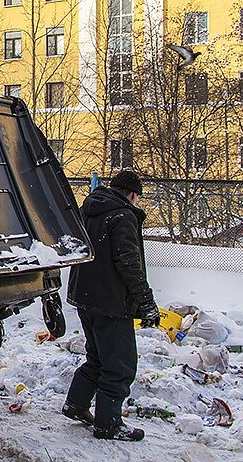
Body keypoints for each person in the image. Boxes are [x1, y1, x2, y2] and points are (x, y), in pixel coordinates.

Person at [62, 170, 160, 442]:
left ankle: (76, 404)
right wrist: (146, 301)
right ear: (131, 193)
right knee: (119, 364)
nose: (137, 202)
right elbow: (129, 264)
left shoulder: (90, 210)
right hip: (111, 302)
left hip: (85, 297)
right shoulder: (123, 216)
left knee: (97, 356)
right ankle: (108, 424)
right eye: (137, 196)